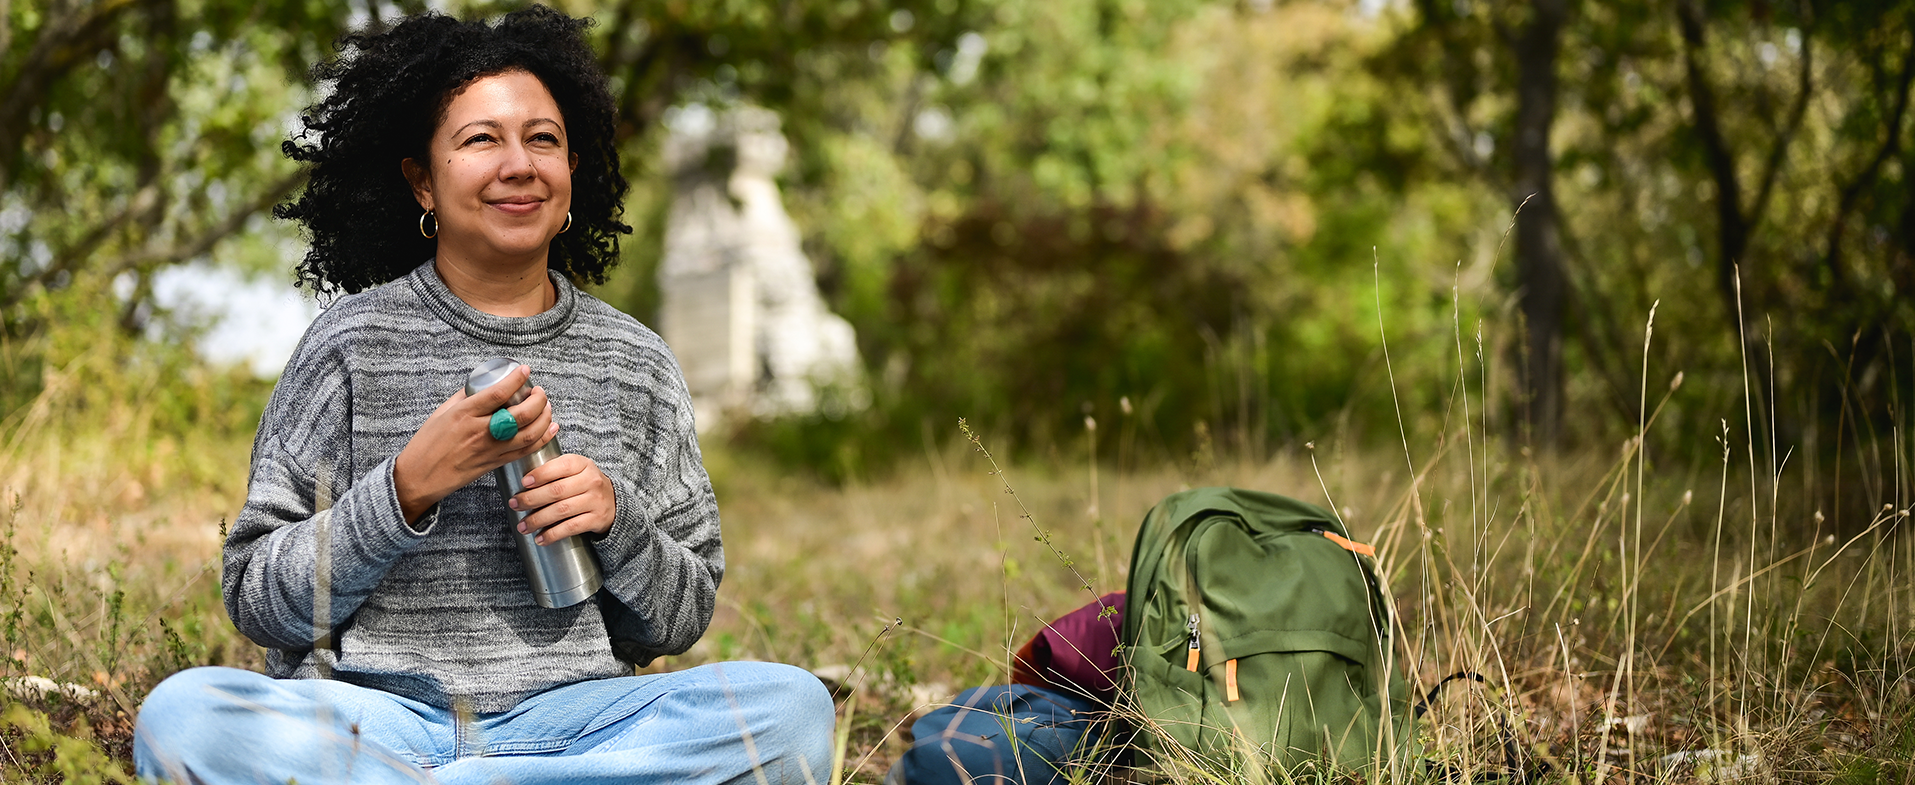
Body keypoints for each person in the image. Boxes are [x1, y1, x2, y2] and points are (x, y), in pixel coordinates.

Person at [132, 7, 834, 783]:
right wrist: (405, 489)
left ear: (574, 170)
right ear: (421, 179)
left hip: (576, 722)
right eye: (480, 140)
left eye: (542, 139)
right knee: (182, 716)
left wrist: (615, 520)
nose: (519, 164)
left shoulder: (635, 361)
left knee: (793, 708)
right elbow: (255, 596)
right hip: (374, 719)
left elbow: (678, 618)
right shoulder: (351, 344)